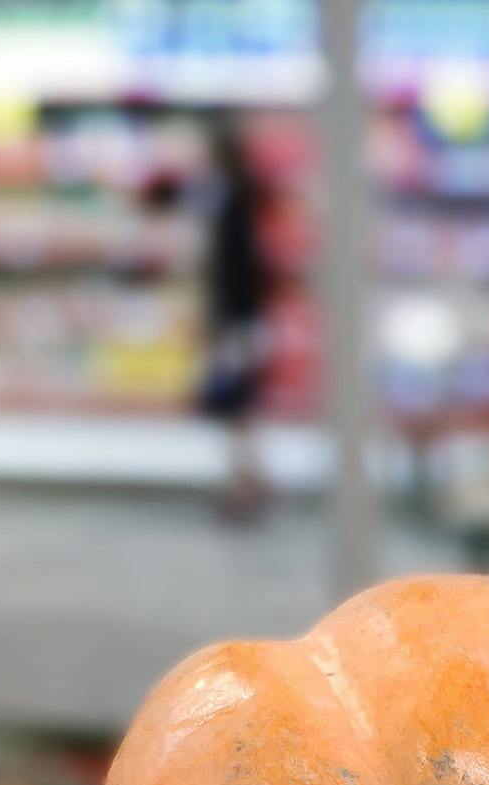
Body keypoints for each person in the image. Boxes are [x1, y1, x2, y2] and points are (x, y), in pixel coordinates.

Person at [200, 112, 273, 522]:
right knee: (241, 410)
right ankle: (248, 481)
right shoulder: (239, 198)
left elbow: (235, 272)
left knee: (238, 408)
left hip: (238, 322)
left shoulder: (233, 203)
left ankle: (247, 484)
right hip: (243, 320)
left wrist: (228, 323)